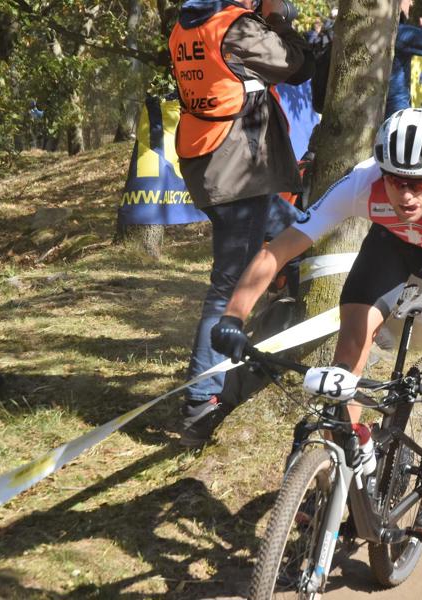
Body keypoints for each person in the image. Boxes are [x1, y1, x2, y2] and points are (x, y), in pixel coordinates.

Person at [212, 108, 422, 538]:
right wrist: (233, 316)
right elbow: (281, 249)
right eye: (396, 180)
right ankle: (342, 466)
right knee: (347, 357)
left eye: (420, 182)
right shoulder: (360, 183)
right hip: (390, 246)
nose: (407, 195)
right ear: (381, 171)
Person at [169, 0, 314, 446]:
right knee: (228, 288)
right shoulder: (235, 28)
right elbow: (297, 64)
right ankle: (200, 404)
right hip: (238, 174)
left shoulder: (185, 24)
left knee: (299, 232)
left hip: (213, 164)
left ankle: (296, 318)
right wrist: (278, 18)